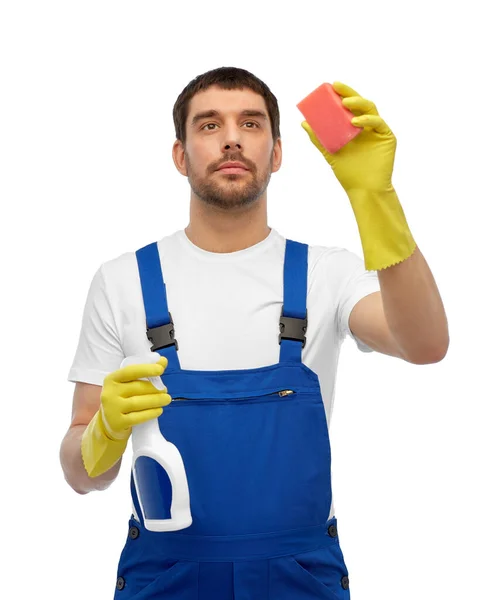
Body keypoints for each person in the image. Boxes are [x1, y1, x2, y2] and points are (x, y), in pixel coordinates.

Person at [59, 66, 449, 599]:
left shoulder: (325, 273)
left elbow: (425, 343)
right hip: (165, 576)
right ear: (180, 155)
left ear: (277, 152)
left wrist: (374, 197)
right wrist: (102, 432)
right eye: (209, 125)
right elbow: (81, 474)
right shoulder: (121, 280)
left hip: (299, 578)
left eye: (251, 123)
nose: (232, 138)